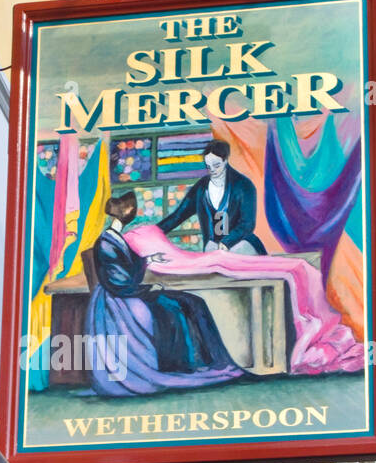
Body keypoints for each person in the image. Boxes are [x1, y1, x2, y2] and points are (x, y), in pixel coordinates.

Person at [84, 191, 243, 397]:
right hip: (121, 297)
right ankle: (183, 365)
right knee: (174, 307)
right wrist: (149, 288)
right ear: (126, 212)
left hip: (128, 290)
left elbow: (130, 267)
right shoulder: (106, 243)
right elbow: (119, 281)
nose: (135, 212)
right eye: (133, 208)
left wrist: (149, 260)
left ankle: (210, 359)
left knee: (193, 301)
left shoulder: (116, 239)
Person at [159, 138, 266, 254]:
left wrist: (227, 242)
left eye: (216, 165)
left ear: (225, 161)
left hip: (242, 244)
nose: (212, 170)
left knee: (235, 251)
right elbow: (178, 215)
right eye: (209, 166)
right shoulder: (201, 188)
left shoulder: (244, 185)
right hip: (213, 248)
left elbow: (247, 224)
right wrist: (154, 231)